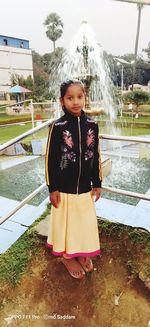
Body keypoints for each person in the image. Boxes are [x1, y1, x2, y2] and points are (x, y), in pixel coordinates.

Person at [45, 79, 102, 279]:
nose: (75, 102)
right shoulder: (57, 127)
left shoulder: (92, 125)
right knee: (66, 225)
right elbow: (50, 160)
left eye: (79, 96)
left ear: (85, 98)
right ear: (62, 101)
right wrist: (52, 188)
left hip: (85, 188)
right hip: (64, 190)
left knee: (83, 224)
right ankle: (68, 257)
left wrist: (97, 183)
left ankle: (82, 253)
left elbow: (95, 155)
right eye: (70, 98)